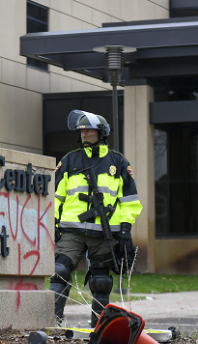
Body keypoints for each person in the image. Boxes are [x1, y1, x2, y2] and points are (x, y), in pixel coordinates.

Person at [50, 110, 142, 327]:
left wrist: (126, 229)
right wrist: (52, 223)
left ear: (102, 133)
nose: (84, 133)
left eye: (89, 130)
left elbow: (129, 200)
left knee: (101, 282)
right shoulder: (69, 160)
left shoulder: (117, 162)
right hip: (71, 230)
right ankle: (52, 321)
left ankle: (98, 329)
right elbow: (54, 196)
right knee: (59, 271)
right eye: (81, 130)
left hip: (104, 233)